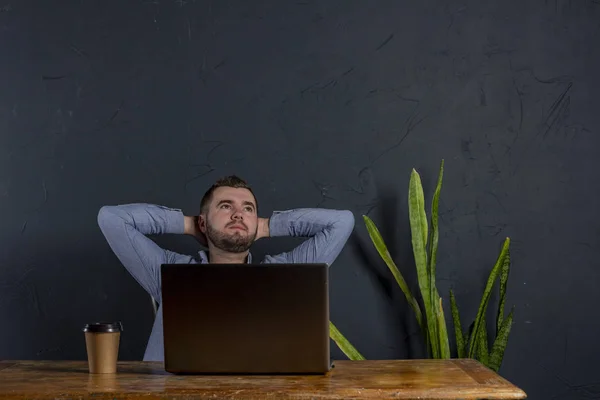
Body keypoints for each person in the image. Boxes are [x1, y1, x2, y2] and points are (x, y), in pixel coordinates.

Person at [97, 175, 355, 362]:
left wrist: (265, 227)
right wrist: (190, 225)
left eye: (248, 209)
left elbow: (342, 222)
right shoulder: (169, 270)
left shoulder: (284, 272)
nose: (238, 214)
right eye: (225, 206)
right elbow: (112, 219)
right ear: (203, 222)